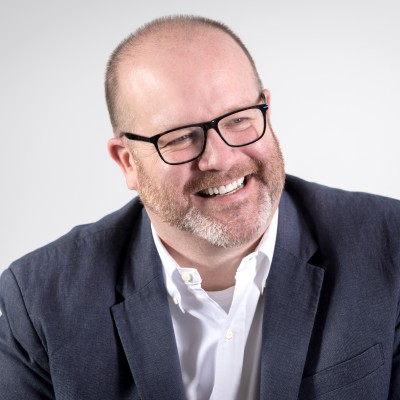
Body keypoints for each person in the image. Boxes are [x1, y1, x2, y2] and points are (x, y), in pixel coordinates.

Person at [0, 14, 399, 400]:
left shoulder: (390, 248)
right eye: (179, 137)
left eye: (238, 120)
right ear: (127, 162)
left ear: (266, 110)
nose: (220, 159)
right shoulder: (39, 301)